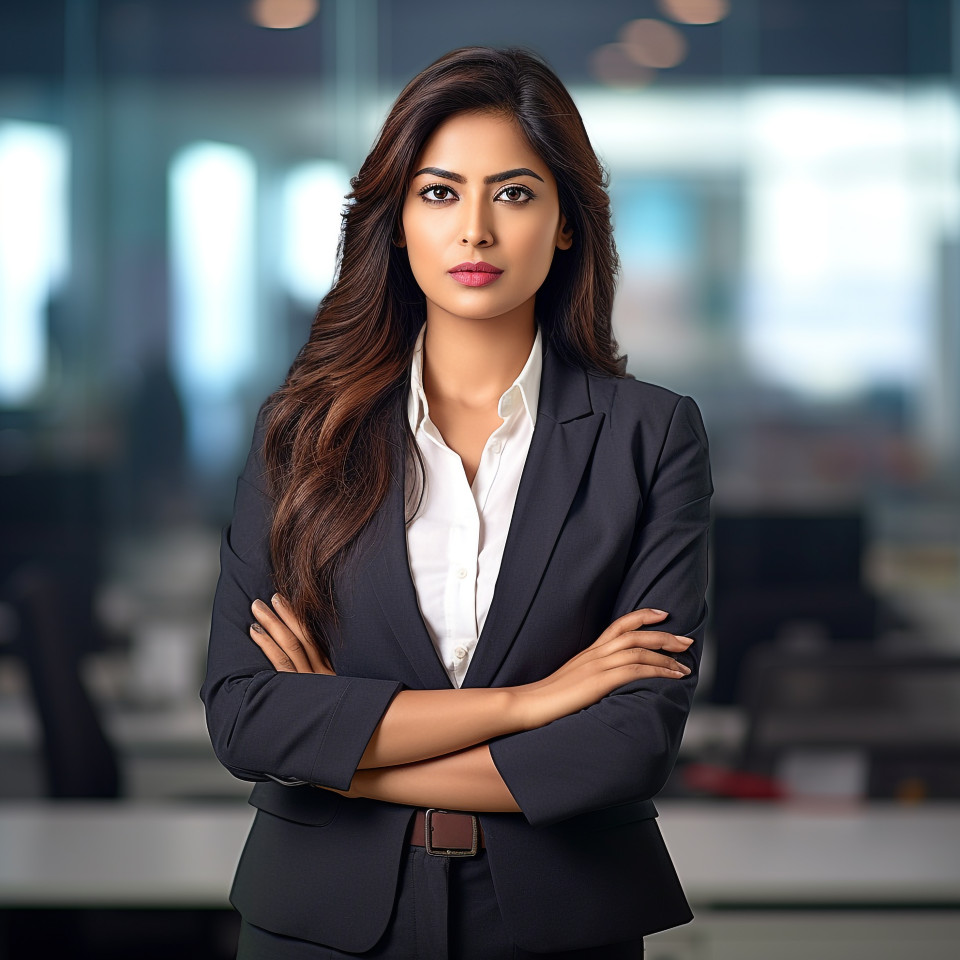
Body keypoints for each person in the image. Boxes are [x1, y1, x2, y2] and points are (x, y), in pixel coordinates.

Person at [202, 46, 712, 960]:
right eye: (439, 193)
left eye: (513, 194)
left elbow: (629, 742)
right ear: (396, 221)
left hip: (561, 922)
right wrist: (536, 703)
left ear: (565, 224)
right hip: (323, 926)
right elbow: (247, 716)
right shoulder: (301, 434)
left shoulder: (652, 437)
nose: (474, 230)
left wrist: (347, 759)